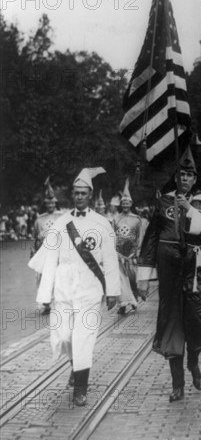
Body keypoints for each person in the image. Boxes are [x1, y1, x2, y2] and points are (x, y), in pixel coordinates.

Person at [28, 167, 120, 407]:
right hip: (64, 286)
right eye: (76, 193)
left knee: (83, 337)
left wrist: (113, 291)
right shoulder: (61, 223)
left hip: (90, 286)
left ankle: (81, 386)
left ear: (90, 195)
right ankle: (74, 365)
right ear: (72, 194)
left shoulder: (101, 223)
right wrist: (44, 294)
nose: (79, 197)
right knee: (64, 336)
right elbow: (49, 259)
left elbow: (110, 259)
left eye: (83, 193)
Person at [137, 147, 201, 403]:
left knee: (194, 322)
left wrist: (189, 209)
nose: (184, 179)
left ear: (195, 179)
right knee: (171, 323)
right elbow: (151, 238)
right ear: (176, 177)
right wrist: (143, 273)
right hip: (169, 272)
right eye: (181, 174)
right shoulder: (163, 202)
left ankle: (193, 365)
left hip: (194, 274)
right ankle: (177, 384)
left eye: (189, 175)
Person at [30, 177, 63, 314]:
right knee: (44, 278)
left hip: (57, 251)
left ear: (55, 204)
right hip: (43, 252)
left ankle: (57, 301)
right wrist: (33, 252)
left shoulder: (61, 217)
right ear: (45, 204)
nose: (50, 206)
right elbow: (34, 236)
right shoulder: (39, 219)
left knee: (57, 277)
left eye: (52, 204)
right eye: (48, 204)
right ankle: (46, 302)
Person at [113, 178, 141, 316]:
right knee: (120, 279)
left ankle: (134, 298)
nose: (125, 204)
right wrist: (114, 252)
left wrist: (136, 252)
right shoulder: (116, 219)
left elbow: (139, 237)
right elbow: (113, 236)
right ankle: (122, 304)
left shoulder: (136, 219)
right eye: (123, 202)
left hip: (132, 254)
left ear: (131, 203)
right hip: (119, 254)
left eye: (127, 202)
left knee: (132, 278)